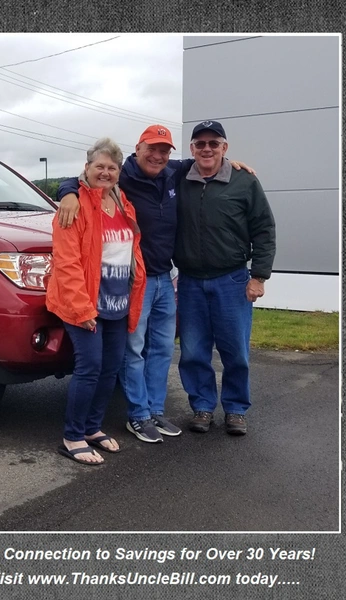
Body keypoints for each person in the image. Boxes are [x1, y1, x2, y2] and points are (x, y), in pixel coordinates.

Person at [56, 125, 256, 443]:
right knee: (133, 351)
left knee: (163, 350)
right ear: (138, 148)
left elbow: (207, 159)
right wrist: (66, 192)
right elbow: (84, 179)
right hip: (138, 281)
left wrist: (234, 164)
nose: (158, 155)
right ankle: (137, 416)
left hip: (167, 277)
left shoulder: (172, 172)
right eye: (152, 148)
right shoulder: (125, 176)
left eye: (165, 150)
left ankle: (154, 411)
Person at [46, 137, 146, 465]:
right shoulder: (73, 204)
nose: (105, 172)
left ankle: (92, 428)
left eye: (111, 168)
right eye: (99, 166)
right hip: (84, 303)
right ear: (86, 168)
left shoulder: (122, 202)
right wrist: (81, 308)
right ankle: (72, 436)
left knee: (110, 369)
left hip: (117, 303)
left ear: (119, 172)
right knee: (89, 367)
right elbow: (67, 261)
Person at [175, 120, 275, 435]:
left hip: (231, 280)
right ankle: (202, 408)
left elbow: (264, 229)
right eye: (200, 144)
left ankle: (235, 410)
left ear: (224, 147)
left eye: (213, 143)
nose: (207, 149)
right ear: (191, 149)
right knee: (193, 352)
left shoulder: (245, 182)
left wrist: (258, 276)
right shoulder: (179, 177)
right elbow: (137, 167)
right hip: (190, 281)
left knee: (236, 352)